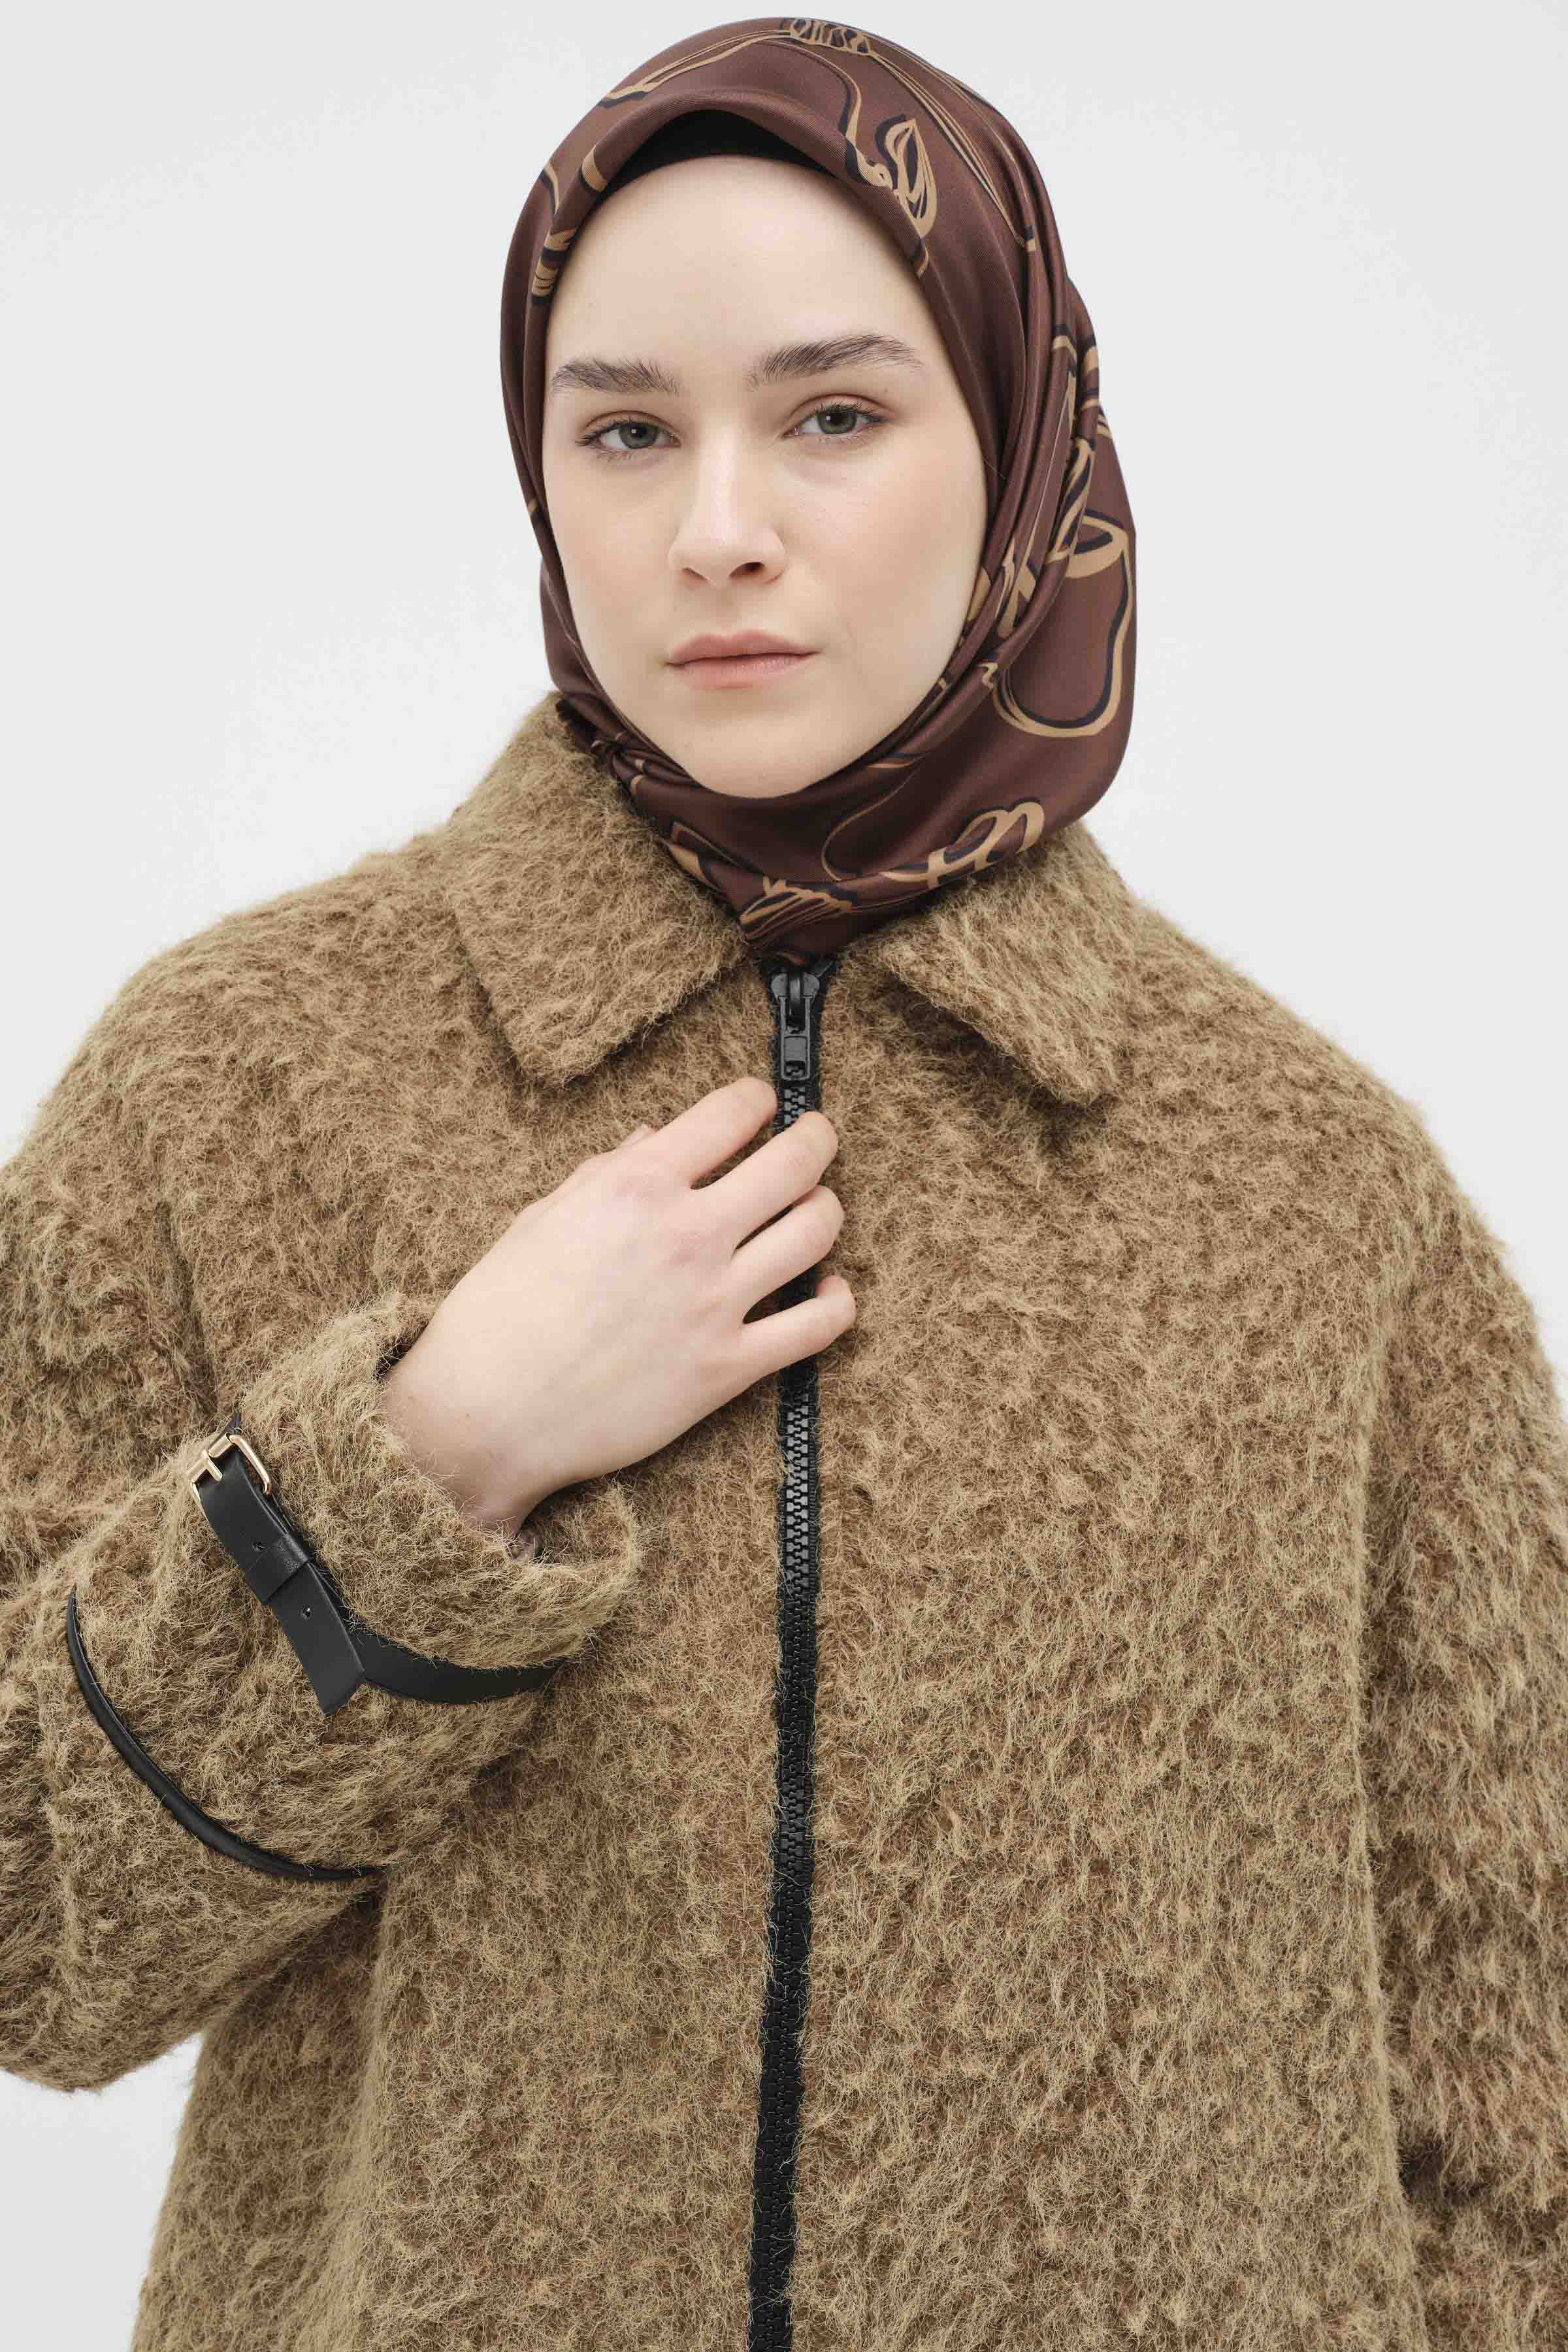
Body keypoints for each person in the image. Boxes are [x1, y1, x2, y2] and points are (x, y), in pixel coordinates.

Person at [3, 20, 1565, 2350]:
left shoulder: (1316, 1195)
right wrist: (429, 1458)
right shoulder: (229, 1089)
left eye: (834, 416)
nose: (716, 526)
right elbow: (29, 1934)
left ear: (1020, 443)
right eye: (626, 430)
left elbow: (1512, 2119)